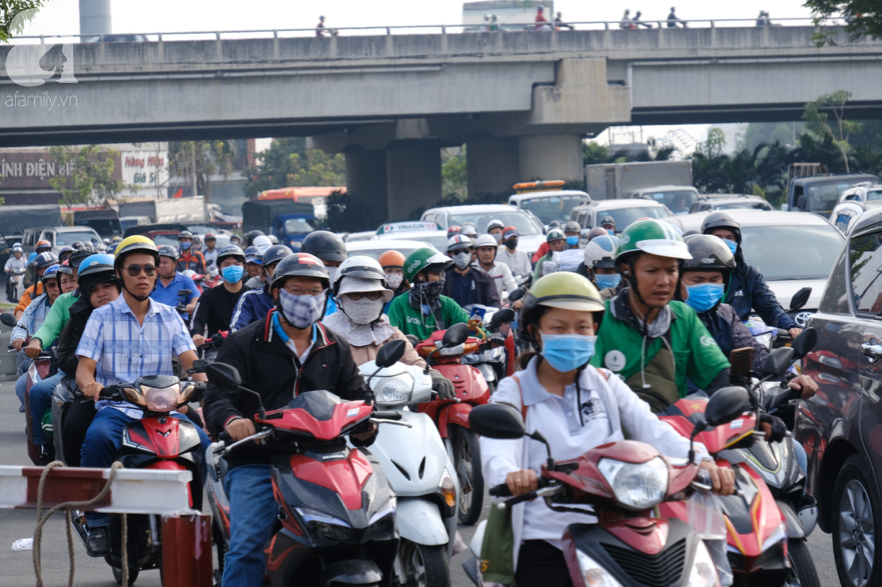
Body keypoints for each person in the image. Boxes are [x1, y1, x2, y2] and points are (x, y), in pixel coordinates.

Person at [481, 272, 735, 587]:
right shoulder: (513, 392)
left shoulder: (605, 382)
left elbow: (652, 429)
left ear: (595, 331)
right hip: (546, 538)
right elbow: (496, 448)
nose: (572, 335)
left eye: (582, 327)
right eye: (559, 327)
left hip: (622, 525)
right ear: (536, 332)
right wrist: (510, 476)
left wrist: (702, 459)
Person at [203, 252, 375, 587]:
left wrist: (367, 423)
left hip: (325, 456)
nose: (306, 299)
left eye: (315, 292)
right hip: (259, 457)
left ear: (326, 296)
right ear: (278, 292)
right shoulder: (245, 341)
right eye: (297, 290)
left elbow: (359, 395)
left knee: (374, 526)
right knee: (248, 544)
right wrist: (231, 420)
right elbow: (216, 396)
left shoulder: (334, 345)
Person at [76, 236, 210, 556]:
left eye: (149, 269)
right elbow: (84, 369)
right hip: (118, 408)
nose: (143, 275)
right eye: (134, 268)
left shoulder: (169, 315)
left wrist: (205, 390)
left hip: (166, 407)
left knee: (205, 444)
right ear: (120, 273)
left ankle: (200, 516)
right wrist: (91, 385)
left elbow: (192, 363)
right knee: (96, 441)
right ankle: (95, 522)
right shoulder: (101, 317)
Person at [589, 219, 732, 413]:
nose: (664, 281)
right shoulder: (599, 320)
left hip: (676, 434)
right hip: (617, 438)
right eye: (652, 271)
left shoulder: (684, 316)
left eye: (671, 270)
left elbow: (717, 375)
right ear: (625, 271)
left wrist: (747, 409)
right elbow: (589, 389)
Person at [322, 256, 454, 392]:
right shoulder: (327, 335)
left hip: (391, 401)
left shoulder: (388, 331)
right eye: (355, 294)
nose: (365, 300)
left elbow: (413, 361)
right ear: (340, 297)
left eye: (372, 294)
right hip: (346, 406)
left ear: (381, 297)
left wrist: (433, 375)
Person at [52, 254, 122, 467]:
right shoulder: (82, 318)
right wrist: (92, 378)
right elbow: (64, 355)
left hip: (145, 391)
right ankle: (76, 480)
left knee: (197, 431)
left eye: (107, 286)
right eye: (93, 289)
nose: (101, 294)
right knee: (74, 427)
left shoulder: (148, 312)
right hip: (97, 390)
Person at [701, 212, 801, 339]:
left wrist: (789, 326)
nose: (724, 242)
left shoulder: (748, 276)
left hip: (739, 343)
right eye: (718, 237)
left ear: (737, 241)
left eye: (730, 237)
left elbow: (769, 306)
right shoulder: (692, 271)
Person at [386, 248, 474, 341]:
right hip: (411, 354)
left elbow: (470, 328)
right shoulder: (400, 304)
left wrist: (488, 337)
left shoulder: (447, 303)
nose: (441, 279)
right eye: (436, 274)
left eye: (442, 274)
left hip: (445, 354)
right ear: (420, 276)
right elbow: (391, 337)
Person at [13, 265, 61, 419]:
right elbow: (21, 325)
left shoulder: (76, 304)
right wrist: (19, 338)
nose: (56, 289)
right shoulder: (35, 306)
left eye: (60, 283)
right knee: (22, 385)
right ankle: (34, 422)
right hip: (42, 359)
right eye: (51, 285)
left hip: (69, 362)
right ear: (45, 286)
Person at [190, 245, 249, 353]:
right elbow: (197, 319)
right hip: (216, 349)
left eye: (237, 264)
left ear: (244, 267)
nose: (232, 268)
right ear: (219, 268)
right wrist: (197, 334)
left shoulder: (252, 295)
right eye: (227, 265)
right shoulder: (209, 296)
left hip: (247, 349)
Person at [230, 245, 293, 331]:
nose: (281, 271)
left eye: (286, 266)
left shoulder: (300, 299)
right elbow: (236, 331)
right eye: (275, 266)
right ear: (263, 272)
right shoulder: (250, 299)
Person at [443, 235, 501, 309]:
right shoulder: (443, 280)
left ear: (471, 251)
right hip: (453, 320)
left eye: (466, 251)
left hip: (478, 320)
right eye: (457, 252)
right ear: (450, 254)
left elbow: (494, 303)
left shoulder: (485, 278)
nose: (462, 255)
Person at [301, 230, 348, 316]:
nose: (334, 270)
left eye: (338, 265)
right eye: (327, 265)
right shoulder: (298, 297)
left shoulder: (347, 297)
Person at [151, 245, 199, 321]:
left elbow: (195, 296)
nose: (161, 266)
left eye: (165, 262)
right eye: (158, 262)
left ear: (175, 263)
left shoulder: (185, 280)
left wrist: (192, 305)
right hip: (153, 320)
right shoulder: (151, 280)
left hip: (178, 321)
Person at [474, 234, 521, 309]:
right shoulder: (472, 269)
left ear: (495, 251)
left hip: (496, 311)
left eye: (490, 249)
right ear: (477, 251)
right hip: (475, 313)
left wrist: (517, 300)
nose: (487, 253)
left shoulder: (502, 267)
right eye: (483, 249)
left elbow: (511, 285)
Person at [15, 252, 58, 320]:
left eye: (54, 265)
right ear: (39, 272)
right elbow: (21, 310)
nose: (52, 270)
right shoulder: (31, 292)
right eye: (47, 267)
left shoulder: (67, 287)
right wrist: (21, 326)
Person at [578, 234, 622, 300]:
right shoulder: (583, 300)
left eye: (618, 270)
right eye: (606, 271)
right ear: (591, 272)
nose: (614, 275)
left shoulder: (632, 299)